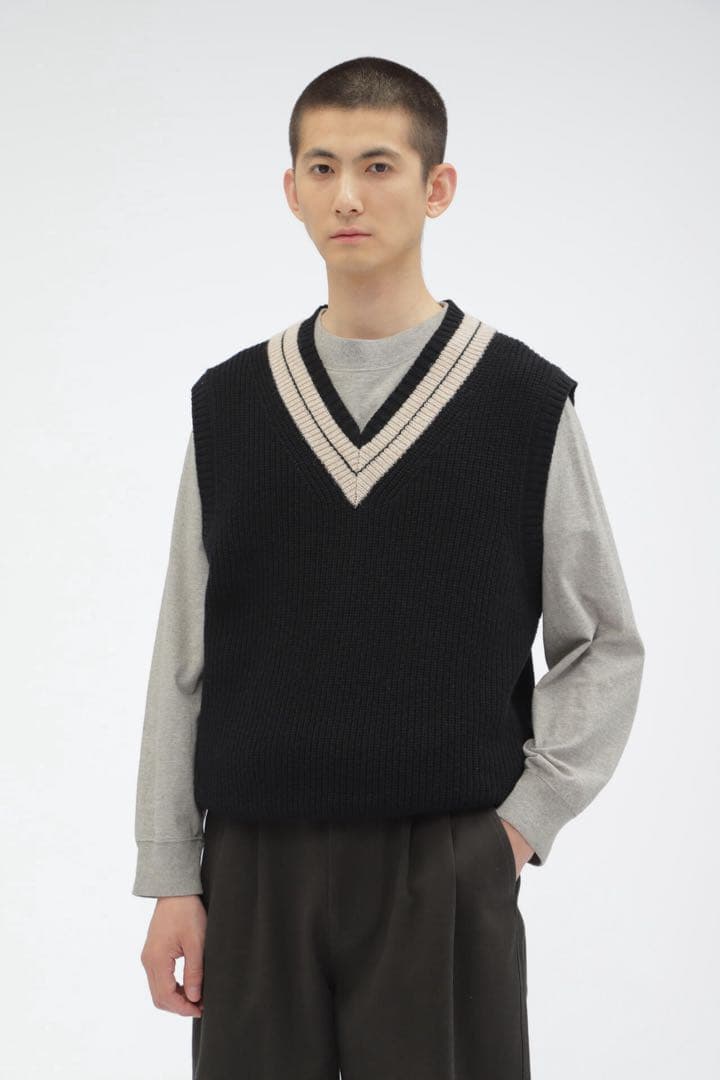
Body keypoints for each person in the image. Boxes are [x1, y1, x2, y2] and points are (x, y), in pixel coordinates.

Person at [132, 56, 645, 1080]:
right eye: (322, 169)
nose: (348, 197)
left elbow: (603, 643)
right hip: (254, 866)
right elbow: (184, 657)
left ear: (436, 186)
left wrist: (514, 830)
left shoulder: (522, 402)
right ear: (291, 191)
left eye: (378, 165)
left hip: (443, 862)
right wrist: (171, 873)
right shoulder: (230, 407)